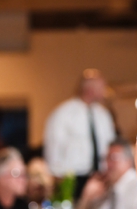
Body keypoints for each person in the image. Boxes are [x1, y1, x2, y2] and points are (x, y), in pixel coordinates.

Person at [44, 69, 119, 201]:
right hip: (73, 179)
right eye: (102, 87)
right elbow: (53, 148)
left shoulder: (103, 114)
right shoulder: (63, 114)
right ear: (90, 89)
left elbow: (110, 145)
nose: (105, 91)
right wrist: (57, 179)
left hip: (100, 177)